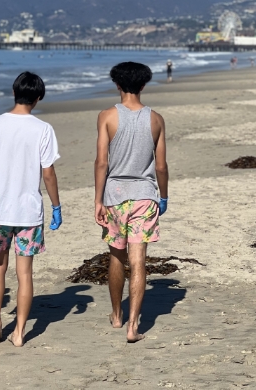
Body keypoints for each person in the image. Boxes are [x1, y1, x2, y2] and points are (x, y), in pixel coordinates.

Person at [0, 71, 62, 347]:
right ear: (37, 98)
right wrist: (56, 205)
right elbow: (48, 172)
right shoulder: (43, 129)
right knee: (25, 274)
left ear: (14, 93)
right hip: (27, 212)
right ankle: (20, 332)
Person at [94, 62, 169, 343]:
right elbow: (161, 166)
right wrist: (163, 195)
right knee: (139, 260)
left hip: (114, 195)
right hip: (145, 195)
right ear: (143, 85)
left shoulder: (106, 116)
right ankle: (133, 326)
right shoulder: (156, 119)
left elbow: (102, 161)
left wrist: (97, 199)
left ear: (117, 84)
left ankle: (116, 315)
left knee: (116, 255)